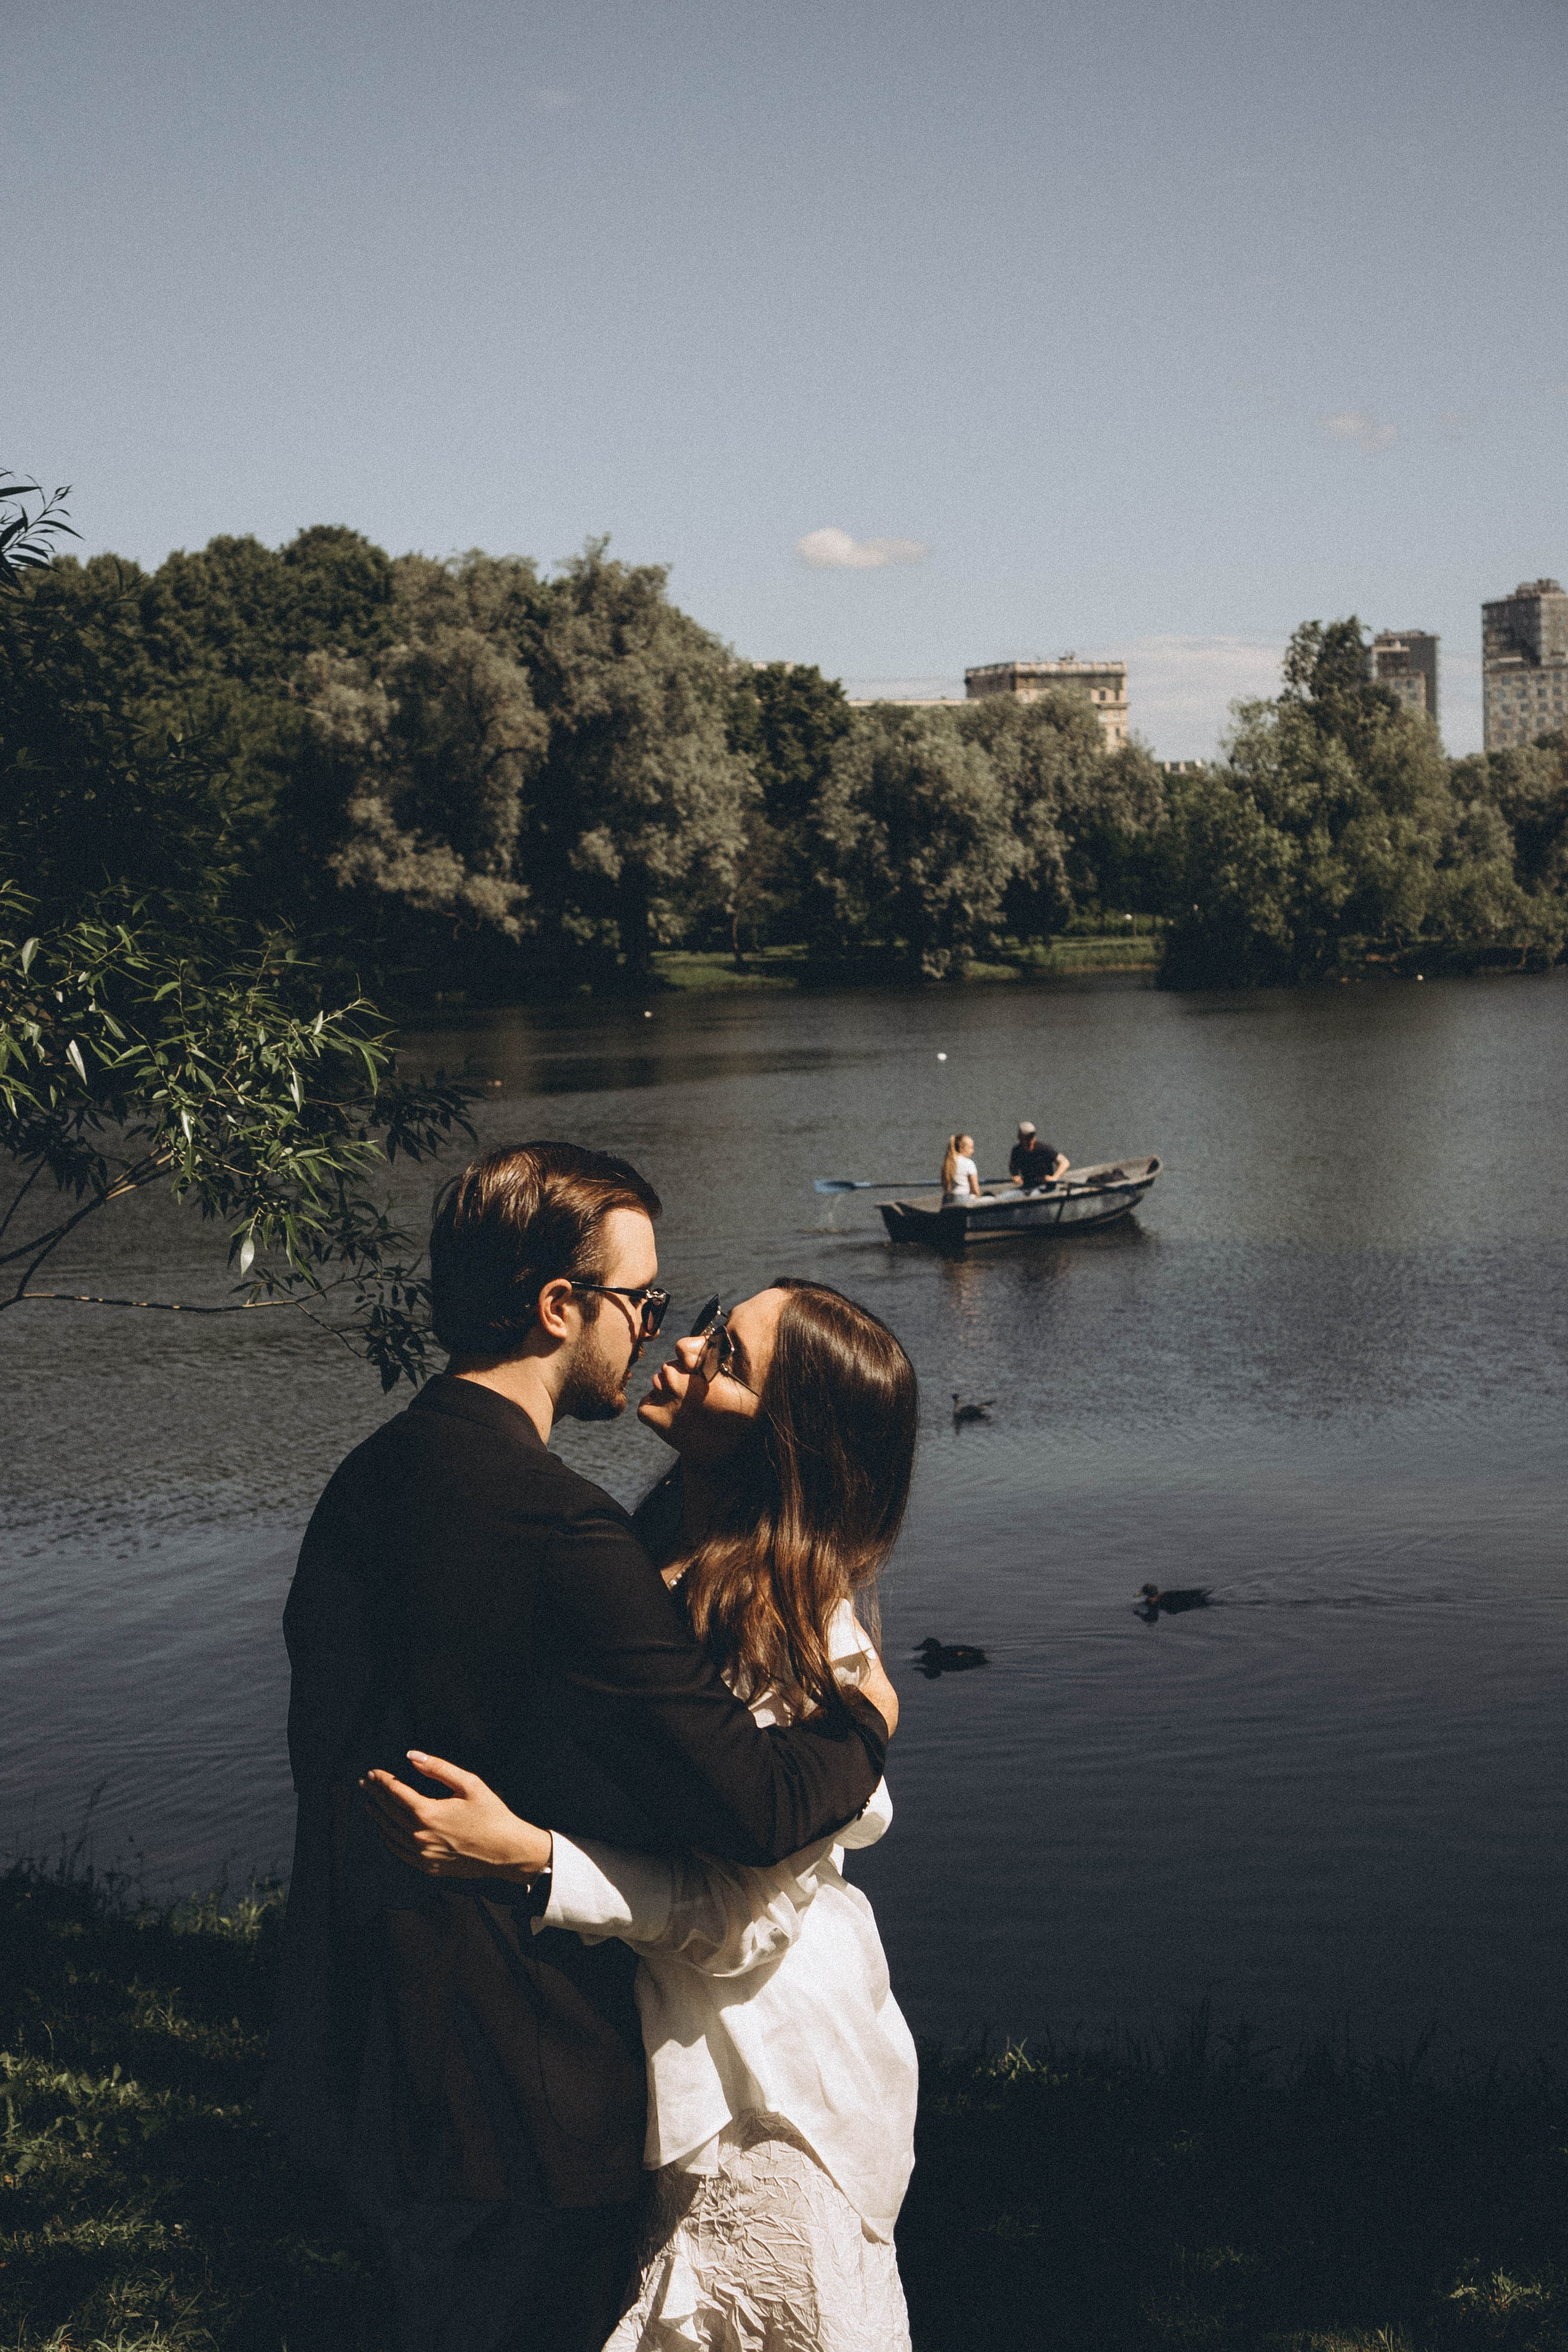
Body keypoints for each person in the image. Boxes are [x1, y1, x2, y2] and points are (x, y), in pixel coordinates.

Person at [264, 1145, 893, 2352]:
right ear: (561, 1306)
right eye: (643, 1301)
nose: (658, 1332)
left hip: (359, 2048)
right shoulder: (564, 1531)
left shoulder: (367, 1480)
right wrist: (866, 1719)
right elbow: (759, 1805)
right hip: (517, 2091)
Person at [1008, 1120, 1069, 1191]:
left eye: (1031, 1137)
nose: (1030, 1141)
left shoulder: (1044, 1149)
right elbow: (1013, 1167)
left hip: (1046, 1186)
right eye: (1027, 1138)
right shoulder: (1017, 1151)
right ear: (1019, 1138)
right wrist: (1015, 1176)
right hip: (1028, 1186)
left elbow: (1065, 1162)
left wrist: (1055, 1178)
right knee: (1003, 1196)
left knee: (1034, 1193)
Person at [940, 1130, 982, 1202]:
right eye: (971, 1148)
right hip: (963, 1201)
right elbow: (976, 1190)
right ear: (961, 1148)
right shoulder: (969, 1163)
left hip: (947, 1201)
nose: (973, 1151)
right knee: (990, 1198)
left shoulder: (947, 1163)